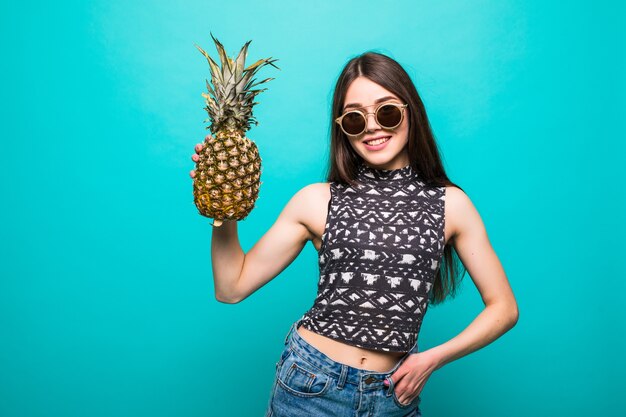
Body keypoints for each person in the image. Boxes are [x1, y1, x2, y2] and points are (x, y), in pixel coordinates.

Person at [190, 51, 519, 417]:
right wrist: (224, 208)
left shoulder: (450, 205)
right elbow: (231, 288)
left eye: (387, 111)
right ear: (342, 127)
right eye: (355, 119)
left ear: (411, 111)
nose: (373, 127)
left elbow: (504, 308)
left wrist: (433, 359)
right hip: (310, 387)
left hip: (393, 397)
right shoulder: (316, 200)